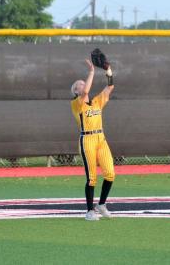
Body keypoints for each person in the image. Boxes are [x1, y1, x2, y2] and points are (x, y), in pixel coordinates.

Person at [70, 59, 115, 221]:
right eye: (79, 85)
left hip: (100, 138)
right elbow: (85, 93)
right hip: (87, 140)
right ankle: (89, 211)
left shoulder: (96, 101)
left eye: (83, 83)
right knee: (92, 177)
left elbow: (110, 86)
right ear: (76, 91)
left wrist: (108, 70)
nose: (82, 85)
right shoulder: (77, 103)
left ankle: (101, 205)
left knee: (110, 173)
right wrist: (91, 72)